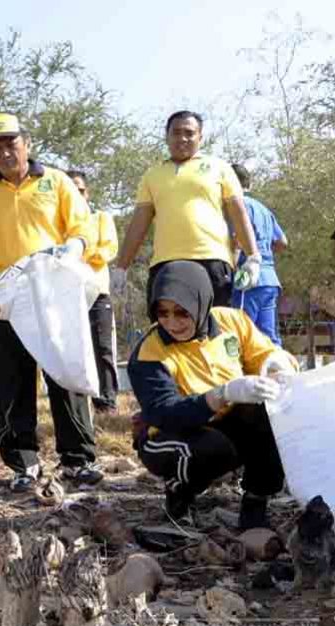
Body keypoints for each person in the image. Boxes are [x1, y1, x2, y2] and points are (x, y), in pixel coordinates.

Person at [0, 113, 101, 491]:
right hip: (7, 299)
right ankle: (23, 463)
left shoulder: (56, 181)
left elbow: (83, 225)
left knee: (65, 376)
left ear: (27, 143)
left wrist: (77, 245)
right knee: (13, 384)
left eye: (11, 143)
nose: (5, 153)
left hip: (53, 293)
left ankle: (78, 459)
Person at [127, 260, 299, 529]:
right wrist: (222, 394)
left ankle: (256, 503)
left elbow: (265, 354)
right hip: (170, 435)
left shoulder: (231, 321)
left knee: (271, 413)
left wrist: (279, 365)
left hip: (227, 422)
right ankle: (179, 496)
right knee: (208, 450)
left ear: (201, 302)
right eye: (163, 313)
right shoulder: (149, 353)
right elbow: (165, 413)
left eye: (182, 312)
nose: (172, 323)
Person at [115, 110, 261, 307]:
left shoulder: (220, 167)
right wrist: (121, 268)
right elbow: (138, 224)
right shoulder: (152, 175)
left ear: (200, 137)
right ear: (166, 136)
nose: (182, 138)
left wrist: (253, 257)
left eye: (189, 133)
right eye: (176, 132)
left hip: (212, 260)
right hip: (165, 264)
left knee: (215, 322)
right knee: (167, 323)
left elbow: (238, 213)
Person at [68, 170, 120, 412]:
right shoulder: (59, 223)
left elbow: (107, 250)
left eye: (80, 190)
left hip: (97, 293)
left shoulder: (101, 219)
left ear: (87, 193)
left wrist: (77, 252)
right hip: (68, 294)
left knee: (102, 347)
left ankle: (106, 402)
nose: (76, 195)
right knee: (74, 350)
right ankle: (77, 404)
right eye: (71, 191)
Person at [229, 164, 288, 346]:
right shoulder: (263, 209)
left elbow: (236, 241)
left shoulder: (236, 207)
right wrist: (264, 251)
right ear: (249, 184)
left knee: (241, 336)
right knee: (268, 338)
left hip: (248, 280)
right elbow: (282, 242)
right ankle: (278, 364)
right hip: (269, 280)